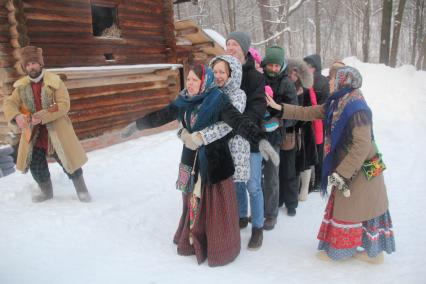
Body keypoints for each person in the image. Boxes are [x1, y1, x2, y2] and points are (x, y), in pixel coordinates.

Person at [121, 64, 278, 266]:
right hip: (190, 159)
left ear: (205, 81)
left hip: (214, 161)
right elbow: (161, 115)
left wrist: (261, 140)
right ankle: (191, 238)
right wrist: (137, 125)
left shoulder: (218, 100)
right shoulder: (183, 100)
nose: (190, 83)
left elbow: (239, 122)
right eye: (188, 79)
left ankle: (218, 246)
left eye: (195, 79)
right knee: (191, 200)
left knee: (213, 204)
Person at [266, 66, 395, 263]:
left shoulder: (356, 107)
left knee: (357, 208)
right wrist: (280, 108)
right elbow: (309, 112)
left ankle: (349, 251)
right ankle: (372, 253)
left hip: (359, 168)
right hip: (351, 167)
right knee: (361, 207)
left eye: (333, 79)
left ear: (345, 81)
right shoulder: (338, 102)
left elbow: (362, 144)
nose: (329, 82)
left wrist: (342, 174)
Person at [3, 46, 91, 202]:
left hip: (56, 132)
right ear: (25, 67)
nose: (31, 67)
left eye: (34, 63)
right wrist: (17, 116)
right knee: (35, 165)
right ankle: (46, 192)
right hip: (34, 134)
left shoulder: (54, 81)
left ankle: (82, 190)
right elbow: (10, 103)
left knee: (68, 161)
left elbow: (64, 104)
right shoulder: (21, 86)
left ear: (41, 63)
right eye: (28, 64)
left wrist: (42, 116)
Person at [226, 31, 267, 248]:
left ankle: (258, 227)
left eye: (234, 44)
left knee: (252, 184)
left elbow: (258, 106)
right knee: (236, 181)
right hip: (230, 140)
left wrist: (238, 126)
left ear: (244, 49)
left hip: (250, 139)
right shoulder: (224, 75)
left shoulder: (255, 77)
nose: (230, 47)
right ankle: (241, 216)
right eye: (228, 44)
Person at [261, 46, 298, 222]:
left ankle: (270, 213)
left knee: (271, 176)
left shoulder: (287, 83)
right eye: (271, 65)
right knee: (256, 177)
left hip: (275, 136)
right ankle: (259, 209)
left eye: (277, 65)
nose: (274, 69)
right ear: (266, 64)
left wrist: (280, 121)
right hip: (257, 133)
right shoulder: (259, 79)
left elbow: (295, 112)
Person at [287, 58, 318, 201]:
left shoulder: (305, 87)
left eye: (295, 72)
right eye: (291, 71)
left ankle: (304, 188)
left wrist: (301, 123)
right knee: (295, 161)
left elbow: (312, 108)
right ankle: (297, 188)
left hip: (304, 129)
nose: (293, 75)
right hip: (291, 129)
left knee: (305, 160)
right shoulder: (286, 85)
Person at [303, 54, 330, 191]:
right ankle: (309, 181)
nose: (308, 68)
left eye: (311, 66)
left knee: (318, 151)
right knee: (308, 150)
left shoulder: (323, 81)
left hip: (318, 121)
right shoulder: (303, 80)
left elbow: (326, 102)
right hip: (305, 119)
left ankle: (319, 180)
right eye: (306, 65)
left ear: (316, 67)